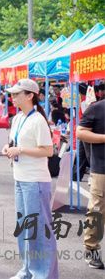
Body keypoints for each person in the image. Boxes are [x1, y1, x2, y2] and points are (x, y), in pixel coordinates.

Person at [1, 79, 58, 278]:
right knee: (25, 227)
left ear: (30, 96)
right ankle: (27, 269)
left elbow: (48, 151)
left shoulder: (38, 120)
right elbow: (13, 142)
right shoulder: (18, 118)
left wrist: (21, 150)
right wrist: (8, 148)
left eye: (17, 94)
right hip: (20, 177)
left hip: (35, 180)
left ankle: (43, 273)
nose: (12, 97)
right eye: (12, 93)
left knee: (39, 229)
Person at [77, 97, 105, 269]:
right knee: (97, 211)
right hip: (101, 169)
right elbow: (80, 132)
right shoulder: (97, 108)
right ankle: (91, 249)